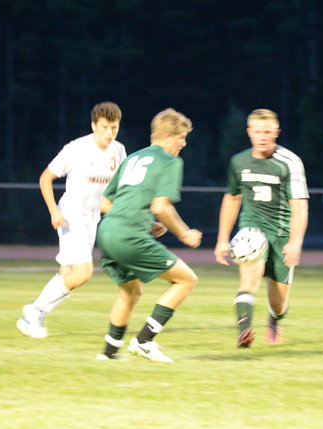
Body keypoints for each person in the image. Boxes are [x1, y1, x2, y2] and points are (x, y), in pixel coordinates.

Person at [95, 108, 201, 363]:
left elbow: (105, 203)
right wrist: (185, 234)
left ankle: (109, 353)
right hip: (129, 235)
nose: (183, 144)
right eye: (181, 137)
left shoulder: (133, 157)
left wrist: (147, 223)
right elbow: (161, 207)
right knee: (186, 280)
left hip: (107, 231)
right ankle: (144, 341)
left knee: (130, 292)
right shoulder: (169, 161)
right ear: (167, 136)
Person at [16, 102, 126, 338]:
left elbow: (120, 190)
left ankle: (34, 315)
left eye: (114, 128)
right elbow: (45, 178)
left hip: (93, 218)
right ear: (94, 125)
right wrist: (54, 211)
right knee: (83, 273)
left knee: (68, 275)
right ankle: (34, 312)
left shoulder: (119, 151)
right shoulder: (76, 149)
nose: (109, 133)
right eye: (104, 127)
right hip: (71, 215)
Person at [214, 108, 309, 348]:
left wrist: (295, 242)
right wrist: (222, 238)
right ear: (249, 132)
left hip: (281, 234)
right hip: (252, 229)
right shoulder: (239, 161)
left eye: (267, 132)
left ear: (277, 133)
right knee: (248, 282)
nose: (262, 137)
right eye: (258, 132)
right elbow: (232, 197)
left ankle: (275, 318)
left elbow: (299, 206)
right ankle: (244, 331)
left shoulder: (289, 162)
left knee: (279, 303)